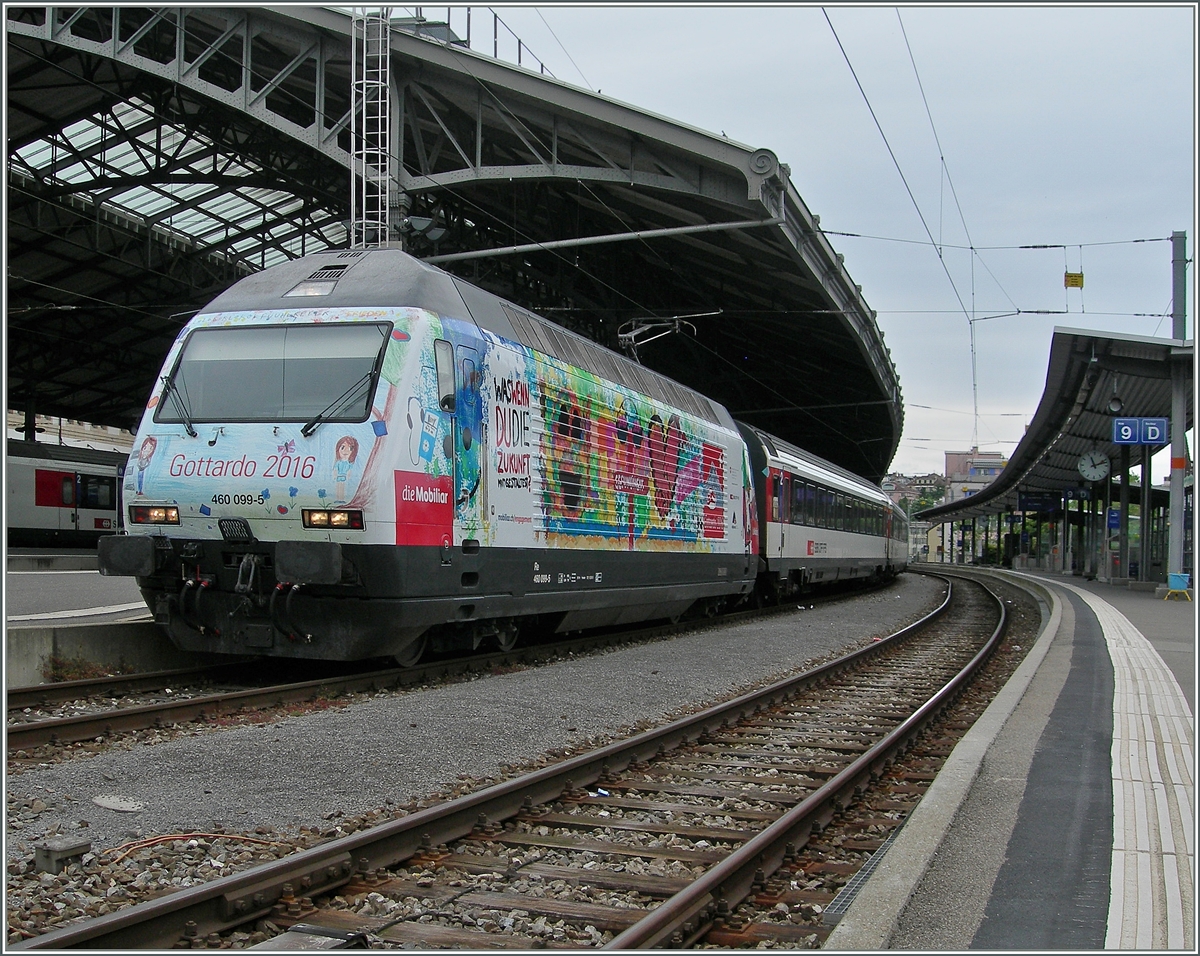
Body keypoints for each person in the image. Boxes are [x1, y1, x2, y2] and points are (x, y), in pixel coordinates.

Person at [332, 435, 359, 504]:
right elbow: (335, 469)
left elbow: (350, 470)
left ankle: (341, 499)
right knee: (338, 487)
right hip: (339, 476)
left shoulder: (349, 463)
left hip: (343, 476)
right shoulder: (338, 462)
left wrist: (348, 475)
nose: (346, 451)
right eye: (342, 447)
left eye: (350, 448)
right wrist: (335, 474)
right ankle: (338, 498)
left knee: (342, 487)